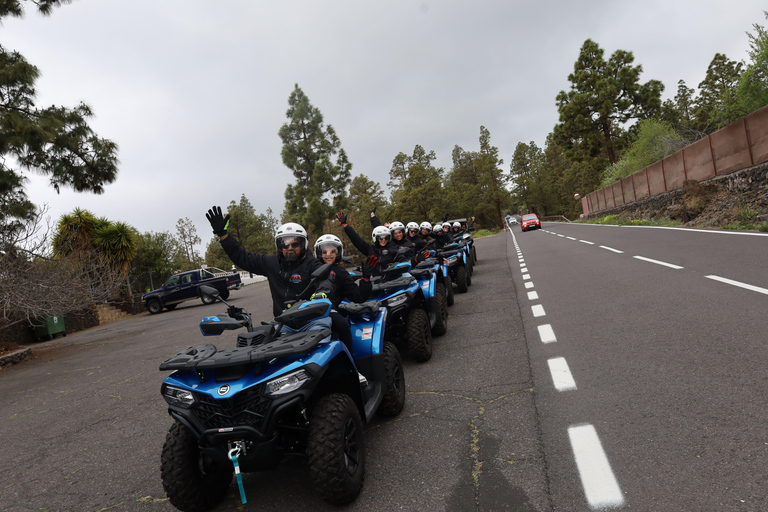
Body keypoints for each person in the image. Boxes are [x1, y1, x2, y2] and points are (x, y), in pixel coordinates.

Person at [205, 206, 334, 332]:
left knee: (323, 343)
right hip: (284, 324)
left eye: (295, 244)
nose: (289, 247)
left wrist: (322, 292)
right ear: (279, 246)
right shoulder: (271, 263)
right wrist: (223, 236)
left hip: (312, 321)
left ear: (303, 245)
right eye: (285, 244)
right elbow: (243, 257)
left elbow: (326, 278)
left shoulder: (312, 263)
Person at [313, 234, 377, 354]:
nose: (328, 254)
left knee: (342, 324)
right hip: (307, 309)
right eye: (324, 251)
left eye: (333, 251)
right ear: (318, 253)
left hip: (328, 310)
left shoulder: (340, 272)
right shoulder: (310, 267)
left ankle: (350, 365)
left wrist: (366, 278)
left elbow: (359, 296)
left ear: (338, 253)